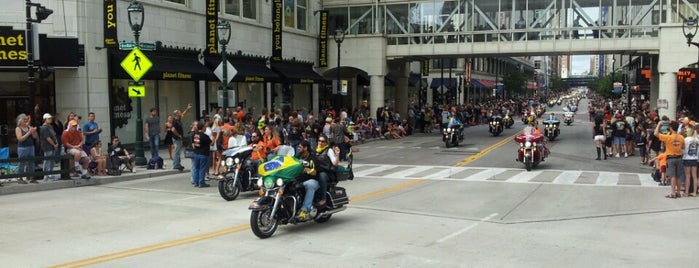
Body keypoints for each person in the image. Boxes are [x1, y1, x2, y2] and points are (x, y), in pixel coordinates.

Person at [655, 120, 684, 198]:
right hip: (679, 157)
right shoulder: (681, 137)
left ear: (671, 128)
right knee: (678, 176)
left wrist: (659, 124)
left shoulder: (668, 137)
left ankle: (673, 193)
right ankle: (678, 192)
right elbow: (683, 147)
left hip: (671, 158)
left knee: (672, 176)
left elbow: (656, 134)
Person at [295, 140, 319, 220]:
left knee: (310, 185)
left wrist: (309, 170)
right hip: (299, 180)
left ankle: (304, 210)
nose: (298, 148)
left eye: (300, 147)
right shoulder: (297, 157)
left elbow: (315, 172)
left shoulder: (312, 158)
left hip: (311, 180)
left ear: (305, 148)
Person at [15, 114, 39, 184]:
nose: (25, 121)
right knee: (22, 162)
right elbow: (20, 139)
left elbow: (35, 137)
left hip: (31, 146)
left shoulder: (29, 127)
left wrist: (34, 131)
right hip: (22, 148)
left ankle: (32, 178)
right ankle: (20, 178)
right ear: (20, 121)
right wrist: (29, 133)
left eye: (26, 119)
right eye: (24, 119)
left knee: (31, 162)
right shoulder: (18, 128)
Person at [190, 120, 212, 188]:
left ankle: (196, 182)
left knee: (196, 168)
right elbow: (211, 143)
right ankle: (201, 182)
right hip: (203, 154)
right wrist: (214, 137)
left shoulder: (195, 135)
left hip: (196, 153)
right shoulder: (205, 136)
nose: (205, 128)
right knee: (202, 168)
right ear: (202, 128)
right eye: (205, 127)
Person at [40, 113, 59, 181]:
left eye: (50, 118)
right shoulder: (43, 127)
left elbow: (53, 135)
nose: (50, 120)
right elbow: (47, 138)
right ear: (45, 119)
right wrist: (54, 144)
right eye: (48, 119)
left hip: (53, 146)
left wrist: (56, 143)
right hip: (47, 146)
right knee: (47, 160)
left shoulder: (50, 126)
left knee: (52, 160)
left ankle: (50, 173)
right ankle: (46, 174)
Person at [171, 104, 191, 171]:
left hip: (178, 138)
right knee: (177, 151)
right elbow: (173, 129)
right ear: (176, 114)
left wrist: (187, 109)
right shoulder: (175, 121)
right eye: (179, 112)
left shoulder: (178, 119)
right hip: (176, 138)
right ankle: (176, 164)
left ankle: (178, 164)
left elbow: (183, 114)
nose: (180, 113)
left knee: (178, 151)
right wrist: (178, 135)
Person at [682, 125, 698, 197]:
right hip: (695, 158)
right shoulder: (697, 140)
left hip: (687, 158)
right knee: (695, 176)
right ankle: (694, 192)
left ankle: (687, 192)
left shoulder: (686, 139)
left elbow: (683, 150)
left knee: (687, 176)